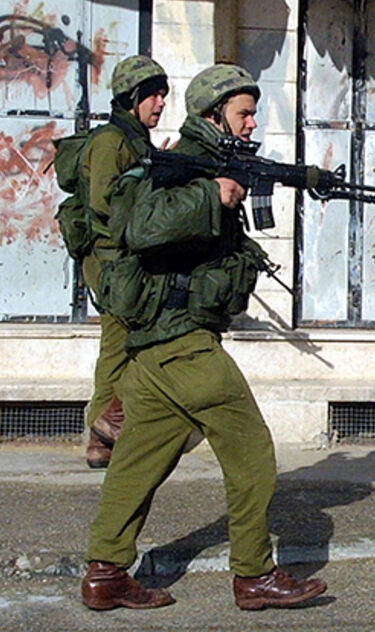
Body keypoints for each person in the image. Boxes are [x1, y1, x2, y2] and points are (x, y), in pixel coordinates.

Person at [81, 64, 326, 611]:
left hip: (156, 353)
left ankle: (105, 573)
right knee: (253, 454)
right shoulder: (177, 167)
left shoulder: (209, 160)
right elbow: (141, 226)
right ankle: (254, 576)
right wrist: (212, 195)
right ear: (213, 114)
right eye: (243, 112)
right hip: (185, 346)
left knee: (138, 464)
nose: (251, 121)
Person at [82, 55, 170, 468]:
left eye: (163, 95)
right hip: (112, 263)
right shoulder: (110, 141)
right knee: (117, 348)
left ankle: (106, 436)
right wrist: (147, 178)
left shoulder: (136, 140)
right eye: (154, 95)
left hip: (127, 261)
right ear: (132, 98)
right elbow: (104, 201)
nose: (161, 103)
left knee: (125, 347)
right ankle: (101, 437)